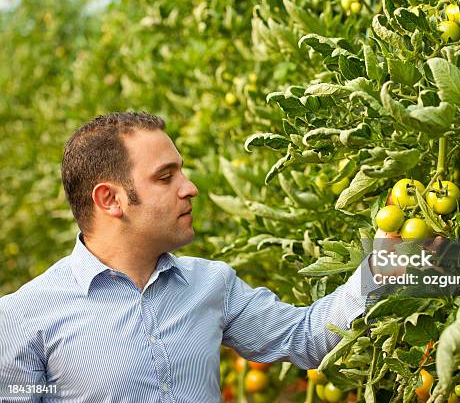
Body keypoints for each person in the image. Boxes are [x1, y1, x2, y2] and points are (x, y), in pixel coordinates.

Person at [0, 112, 396, 402]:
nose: (189, 188)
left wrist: (387, 262)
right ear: (111, 199)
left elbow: (307, 337)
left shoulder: (211, 285)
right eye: (166, 176)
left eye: (182, 172)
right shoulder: (23, 318)